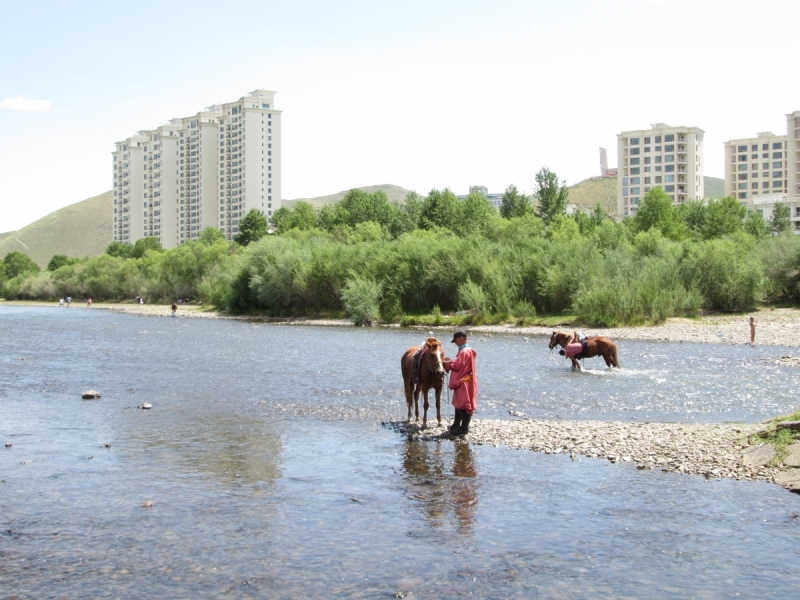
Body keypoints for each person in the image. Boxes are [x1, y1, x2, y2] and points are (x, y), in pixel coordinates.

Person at [443, 330, 478, 436]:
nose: (455, 343)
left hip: (464, 382)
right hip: (466, 380)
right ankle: (456, 425)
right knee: (459, 403)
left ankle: (463, 428)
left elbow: (458, 366)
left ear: (461, 338)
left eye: (456, 340)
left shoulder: (464, 352)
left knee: (464, 405)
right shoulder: (469, 350)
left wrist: (449, 363)